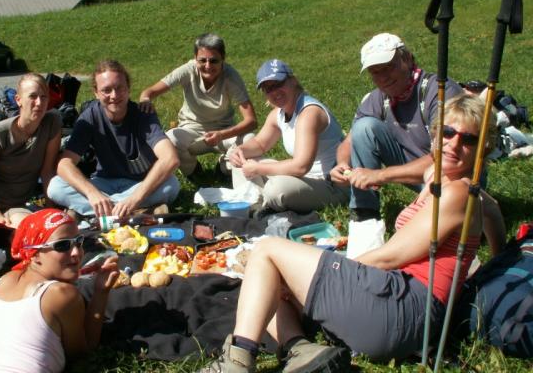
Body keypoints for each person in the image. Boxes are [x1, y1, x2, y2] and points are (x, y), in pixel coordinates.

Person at [201, 94, 506, 372]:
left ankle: (236, 362)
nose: (454, 144)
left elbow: (389, 257)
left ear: (484, 149)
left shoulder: (457, 194)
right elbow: (491, 210)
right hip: (397, 307)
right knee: (270, 278)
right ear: (436, 135)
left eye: (469, 139)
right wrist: (499, 261)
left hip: (402, 310)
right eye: (448, 133)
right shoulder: (447, 181)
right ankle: (300, 349)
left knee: (267, 249)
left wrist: (340, 269)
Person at [329, 33, 462, 256]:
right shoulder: (376, 98)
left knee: (434, 237)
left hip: (451, 176)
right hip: (416, 173)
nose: (383, 77)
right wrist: (342, 164)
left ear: (407, 59)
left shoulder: (440, 91)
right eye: (375, 71)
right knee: (363, 127)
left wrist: (380, 175)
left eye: (388, 67)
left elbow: (445, 158)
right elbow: (349, 141)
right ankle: (364, 216)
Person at [0, 208, 119, 373]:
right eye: (62, 245)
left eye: (78, 241)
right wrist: (101, 292)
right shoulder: (61, 294)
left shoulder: (5, 279)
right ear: (34, 254)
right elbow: (83, 354)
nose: (76, 252)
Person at [47, 59, 180, 219]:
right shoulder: (89, 117)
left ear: (128, 88)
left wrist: (134, 199)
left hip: (139, 184)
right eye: (106, 90)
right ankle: (135, 212)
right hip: (103, 183)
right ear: (96, 93)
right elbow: (64, 164)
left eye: (119, 88)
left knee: (171, 184)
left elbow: (170, 158)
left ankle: (100, 212)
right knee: (55, 187)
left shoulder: (143, 114)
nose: (114, 96)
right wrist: (92, 193)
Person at [227, 59, 349, 213]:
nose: (274, 92)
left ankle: (257, 204)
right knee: (238, 159)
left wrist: (258, 169)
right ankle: (252, 205)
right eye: (268, 89)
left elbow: (300, 166)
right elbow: (260, 144)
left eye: (278, 84)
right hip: (303, 179)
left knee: (276, 189)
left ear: (293, 81)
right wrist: (240, 151)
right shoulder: (278, 113)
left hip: (331, 185)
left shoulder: (309, 113)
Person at [138, 33, 257, 176]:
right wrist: (145, 99)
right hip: (191, 129)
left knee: (249, 139)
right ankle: (194, 171)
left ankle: (223, 169)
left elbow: (251, 121)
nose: (208, 66)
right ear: (195, 58)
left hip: (224, 130)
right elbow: (149, 92)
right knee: (170, 140)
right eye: (202, 60)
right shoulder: (188, 70)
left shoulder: (231, 76)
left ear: (223, 59)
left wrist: (221, 134)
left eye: (214, 61)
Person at [0, 73, 62, 228]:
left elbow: (47, 172)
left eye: (44, 97)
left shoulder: (51, 124)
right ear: (18, 100)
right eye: (32, 96)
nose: (39, 103)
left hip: (21, 205)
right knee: (31, 228)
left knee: (60, 225)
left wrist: (52, 211)